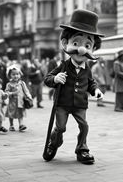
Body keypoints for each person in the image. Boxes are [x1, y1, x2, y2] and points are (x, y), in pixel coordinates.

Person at [44, 9, 104, 164]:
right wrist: (56, 79)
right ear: (66, 43)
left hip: (80, 104)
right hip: (62, 104)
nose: (82, 49)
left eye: (87, 45)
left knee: (84, 126)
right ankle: (54, 143)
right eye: (76, 43)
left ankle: (82, 149)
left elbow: (91, 82)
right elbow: (48, 78)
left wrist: (96, 90)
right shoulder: (63, 66)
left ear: (93, 49)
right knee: (60, 127)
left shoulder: (87, 69)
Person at [5, 64, 32, 132]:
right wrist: (12, 93)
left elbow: (26, 91)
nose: (16, 76)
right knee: (11, 114)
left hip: (20, 102)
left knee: (20, 113)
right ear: (10, 75)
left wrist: (29, 96)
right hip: (12, 102)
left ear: (20, 74)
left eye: (17, 74)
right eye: (13, 74)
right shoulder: (9, 84)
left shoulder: (22, 83)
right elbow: (6, 92)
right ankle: (11, 125)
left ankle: (21, 125)